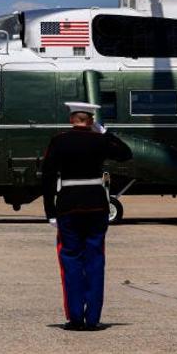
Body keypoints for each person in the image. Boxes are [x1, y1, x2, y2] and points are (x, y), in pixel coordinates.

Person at [42, 101, 133, 331]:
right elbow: (126, 154)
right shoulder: (100, 141)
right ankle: (92, 319)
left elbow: (48, 177)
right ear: (90, 120)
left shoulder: (59, 141)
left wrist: (50, 212)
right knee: (94, 260)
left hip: (69, 205)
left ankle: (74, 317)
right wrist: (105, 132)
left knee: (70, 260)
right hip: (96, 205)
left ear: (72, 119)